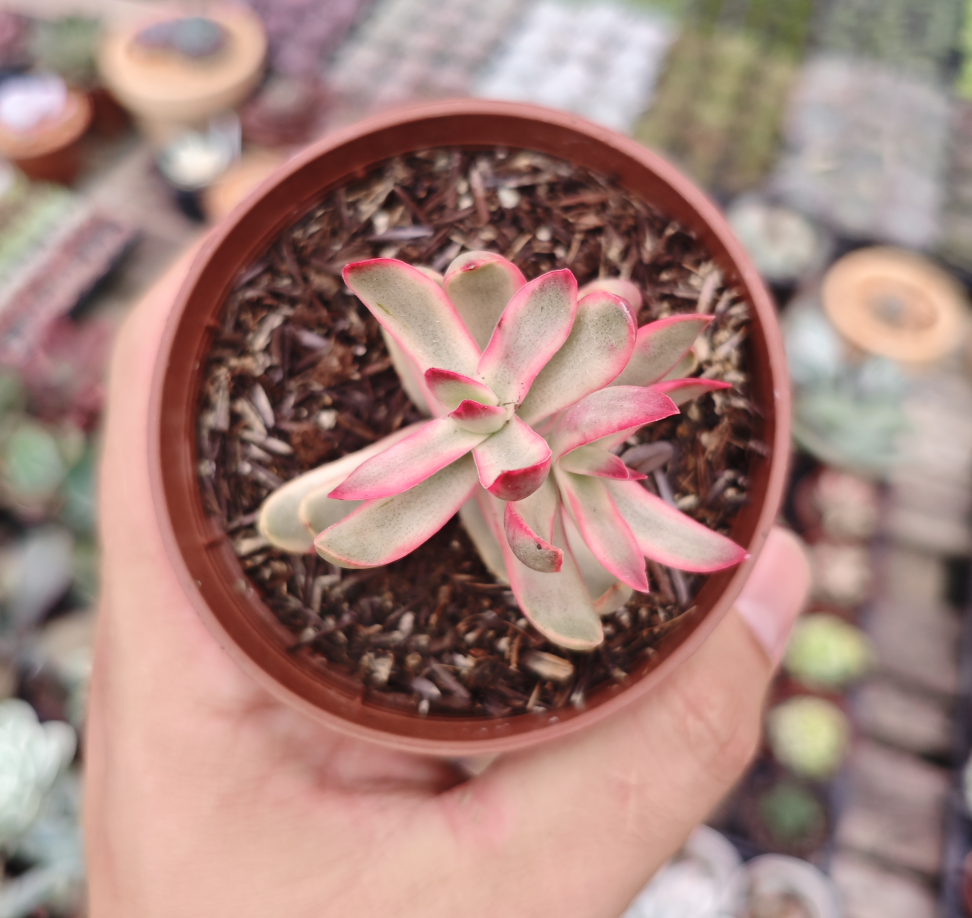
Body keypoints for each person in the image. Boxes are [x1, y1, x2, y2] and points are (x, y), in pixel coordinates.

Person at [84, 248, 810, 917]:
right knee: (332, 514)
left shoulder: (548, 469)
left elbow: (577, 330)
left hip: (531, 449)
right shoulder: (470, 423)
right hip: (465, 440)